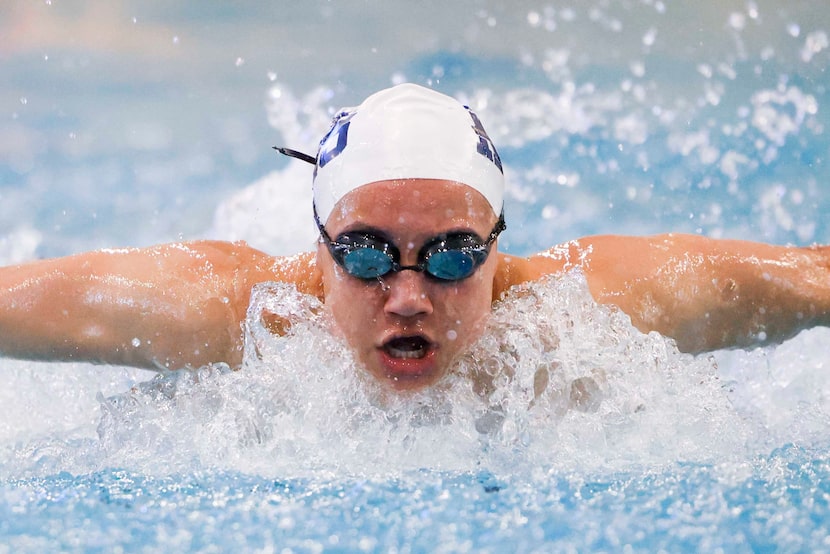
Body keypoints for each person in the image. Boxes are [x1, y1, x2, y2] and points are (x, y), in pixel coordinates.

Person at [1, 84, 829, 391]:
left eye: (452, 255)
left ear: (499, 247)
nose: (407, 299)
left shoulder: (595, 309)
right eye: (363, 254)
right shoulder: (233, 313)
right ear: (317, 248)